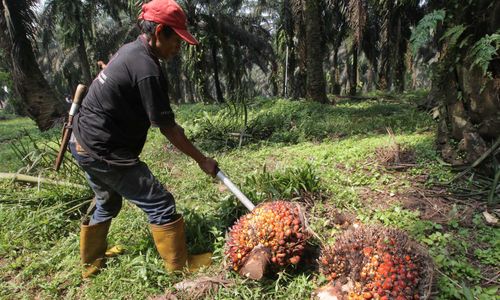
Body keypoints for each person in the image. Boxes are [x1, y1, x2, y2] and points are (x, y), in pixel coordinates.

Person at [69, 0, 218, 278]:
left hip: (81, 141)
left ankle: (92, 263)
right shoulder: (147, 68)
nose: (178, 48)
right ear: (160, 31)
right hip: (103, 149)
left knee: (108, 202)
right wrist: (202, 160)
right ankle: (179, 266)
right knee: (159, 201)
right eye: (176, 40)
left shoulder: (132, 49)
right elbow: (169, 128)